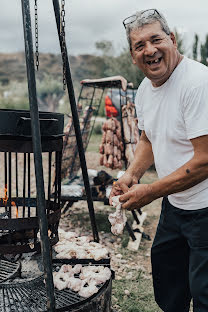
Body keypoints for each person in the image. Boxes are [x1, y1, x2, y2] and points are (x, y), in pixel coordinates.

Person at [109, 8, 208, 312]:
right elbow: (148, 139)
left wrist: (150, 192)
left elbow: (205, 160)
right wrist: (132, 175)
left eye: (156, 40)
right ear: (133, 56)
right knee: (169, 290)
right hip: (175, 207)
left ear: (172, 40)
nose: (150, 50)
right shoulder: (144, 90)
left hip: (205, 210)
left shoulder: (197, 83)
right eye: (140, 45)